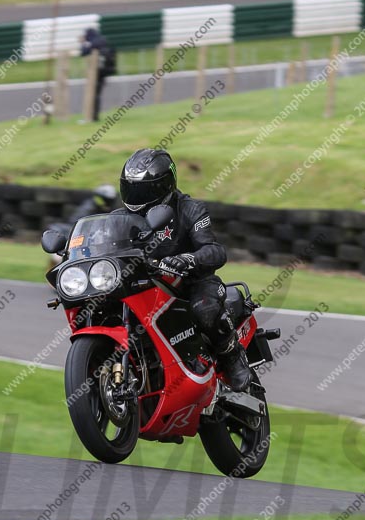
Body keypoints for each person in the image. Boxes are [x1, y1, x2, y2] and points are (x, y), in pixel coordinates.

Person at [119, 148, 251, 392]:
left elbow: (215, 251)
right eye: (131, 188)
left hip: (192, 283)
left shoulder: (191, 209)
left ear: (164, 186)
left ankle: (231, 355)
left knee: (205, 309)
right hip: (149, 286)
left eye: (143, 190)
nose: (135, 196)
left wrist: (188, 259)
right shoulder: (122, 219)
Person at [80, 28, 117, 121]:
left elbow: (83, 52)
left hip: (97, 73)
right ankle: (94, 116)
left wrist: (82, 43)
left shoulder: (94, 43)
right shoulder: (103, 41)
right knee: (97, 94)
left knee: (94, 94)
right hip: (104, 71)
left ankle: (93, 117)